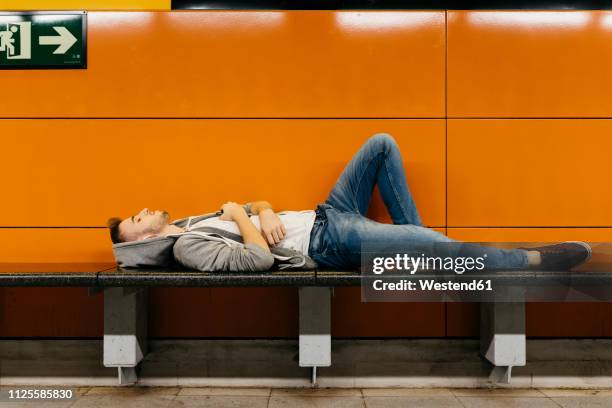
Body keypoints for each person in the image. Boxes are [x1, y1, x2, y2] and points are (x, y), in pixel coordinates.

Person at [107, 133, 591, 273]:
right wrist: (238, 213)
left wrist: (262, 205)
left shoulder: (192, 222)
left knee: (381, 144)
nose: (145, 208)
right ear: (146, 237)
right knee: (432, 243)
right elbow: (255, 258)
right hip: (326, 242)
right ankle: (534, 259)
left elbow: (252, 209)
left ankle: (417, 255)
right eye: (138, 217)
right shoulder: (188, 249)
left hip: (326, 212)